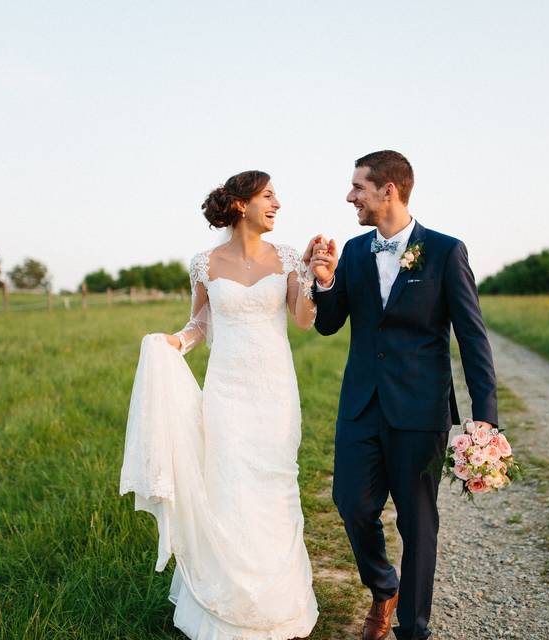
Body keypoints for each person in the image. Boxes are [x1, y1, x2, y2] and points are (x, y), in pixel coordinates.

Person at [308, 150, 499, 640]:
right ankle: (382, 584)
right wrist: (325, 282)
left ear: (387, 190)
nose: (350, 196)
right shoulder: (352, 251)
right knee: (351, 503)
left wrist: (485, 419)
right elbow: (329, 325)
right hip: (361, 406)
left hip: (419, 410)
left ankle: (412, 629)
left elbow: (472, 338)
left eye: (358, 187)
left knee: (418, 525)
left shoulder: (445, 251)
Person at [121, 170, 319, 640]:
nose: (277, 203)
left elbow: (304, 320)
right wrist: (175, 342)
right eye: (268, 195)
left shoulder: (288, 257)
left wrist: (313, 278)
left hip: (274, 393)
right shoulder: (203, 262)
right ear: (241, 204)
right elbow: (201, 323)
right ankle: (223, 605)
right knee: (228, 489)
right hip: (227, 393)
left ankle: (278, 606)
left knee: (275, 487)